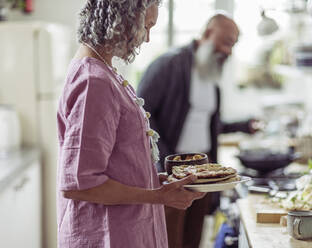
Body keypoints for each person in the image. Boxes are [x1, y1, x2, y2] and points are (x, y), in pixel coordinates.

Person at [56, 1, 205, 247]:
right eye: (145, 27)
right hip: (108, 237)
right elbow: (79, 184)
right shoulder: (95, 82)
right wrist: (157, 196)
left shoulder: (105, 72)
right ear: (122, 19)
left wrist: (155, 182)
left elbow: (115, 164)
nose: (146, 39)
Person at [138, 13, 260, 248]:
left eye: (232, 44)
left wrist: (244, 126)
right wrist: (162, 160)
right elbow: (142, 112)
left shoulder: (210, 72)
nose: (228, 51)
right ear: (206, 34)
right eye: (225, 42)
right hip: (173, 170)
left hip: (204, 170)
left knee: (193, 239)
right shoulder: (169, 64)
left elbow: (208, 123)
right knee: (170, 240)